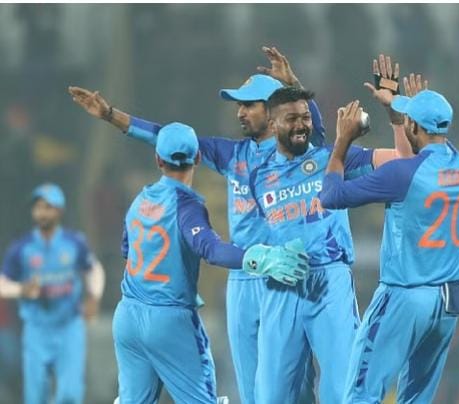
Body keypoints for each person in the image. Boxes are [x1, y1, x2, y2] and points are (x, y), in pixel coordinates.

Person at [68, 46, 322, 404]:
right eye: (239, 105)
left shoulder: (298, 153)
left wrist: (294, 86)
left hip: (282, 276)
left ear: (275, 111)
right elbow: (166, 136)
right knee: (251, 390)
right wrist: (111, 115)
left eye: (248, 105)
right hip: (243, 279)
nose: (239, 112)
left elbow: (319, 137)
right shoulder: (232, 154)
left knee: (294, 387)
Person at [248, 54, 414, 404]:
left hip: (330, 283)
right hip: (280, 287)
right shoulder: (259, 175)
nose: (301, 125)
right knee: (272, 397)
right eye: (291, 119)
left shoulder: (335, 159)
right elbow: (262, 236)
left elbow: (405, 162)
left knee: (343, 392)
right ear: (272, 124)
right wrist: (261, 257)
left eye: (306, 118)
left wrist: (395, 115)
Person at [112, 121, 308, 403]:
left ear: (158, 160)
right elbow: (212, 250)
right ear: (198, 158)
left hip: (127, 318)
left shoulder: (139, 200)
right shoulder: (187, 206)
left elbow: (127, 250)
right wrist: (262, 258)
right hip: (170, 321)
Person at [319, 85, 459, 403]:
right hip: (449, 303)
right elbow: (424, 163)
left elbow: (331, 196)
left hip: (405, 297)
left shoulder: (401, 174)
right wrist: (400, 113)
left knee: (362, 395)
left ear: (414, 126)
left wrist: (342, 142)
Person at [0, 183, 106, 404]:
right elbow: (3, 283)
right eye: (38, 207)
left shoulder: (74, 243)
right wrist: (21, 289)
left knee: (70, 394)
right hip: (37, 329)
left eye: (48, 207)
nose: (42, 213)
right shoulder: (22, 247)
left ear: (59, 211)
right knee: (36, 396)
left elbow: (93, 269)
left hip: (69, 327)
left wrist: (94, 296)